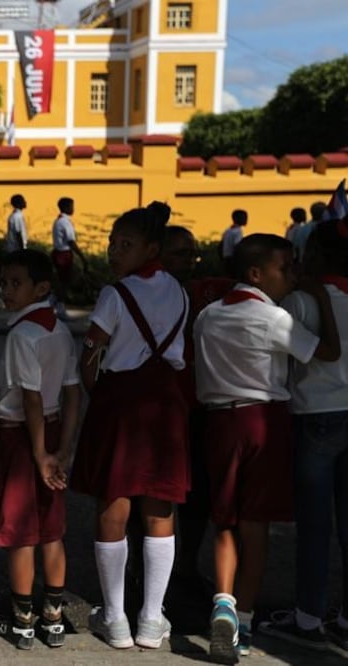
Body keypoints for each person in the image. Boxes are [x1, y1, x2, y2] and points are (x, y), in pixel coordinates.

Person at [194, 233, 340, 663]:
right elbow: (327, 353)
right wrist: (323, 302)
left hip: (218, 421)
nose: (292, 275)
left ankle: (222, 600)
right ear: (256, 273)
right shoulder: (273, 317)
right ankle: (242, 618)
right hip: (263, 421)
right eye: (285, 267)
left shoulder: (208, 314)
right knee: (255, 523)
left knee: (224, 519)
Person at [72, 205, 189, 652]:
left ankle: (116, 615)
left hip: (121, 401)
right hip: (166, 403)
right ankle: (151, 616)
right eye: (112, 243)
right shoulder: (179, 291)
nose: (113, 252)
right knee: (160, 505)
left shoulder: (114, 294)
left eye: (125, 245)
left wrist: (94, 392)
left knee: (114, 499)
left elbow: (91, 353)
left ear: (150, 249)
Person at [258, 219, 348, 653]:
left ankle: (309, 616)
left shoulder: (299, 300)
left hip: (315, 415)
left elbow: (280, 359)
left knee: (314, 524)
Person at [0, 249, 79, 650]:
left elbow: (29, 398)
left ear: (41, 287)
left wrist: (41, 452)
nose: (7, 291)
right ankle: (54, 617)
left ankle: (23, 618)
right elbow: (72, 392)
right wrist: (64, 449)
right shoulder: (59, 329)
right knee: (51, 527)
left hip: (23, 435)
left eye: (16, 283)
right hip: (54, 429)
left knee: (21, 530)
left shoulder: (23, 334)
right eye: (5, 282)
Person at [160, 225, 233, 594]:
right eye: (178, 254)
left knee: (198, 493)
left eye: (191, 254)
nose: (187, 261)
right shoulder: (147, 293)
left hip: (200, 402)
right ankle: (146, 572)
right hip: (161, 406)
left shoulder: (206, 290)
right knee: (154, 494)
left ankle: (186, 565)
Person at [51, 197, 85, 320]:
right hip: (63, 254)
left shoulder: (58, 221)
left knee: (63, 282)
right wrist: (81, 256)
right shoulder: (65, 222)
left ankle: (54, 303)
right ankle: (59, 309)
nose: (73, 209)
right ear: (65, 207)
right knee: (64, 283)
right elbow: (71, 241)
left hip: (58, 253)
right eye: (71, 206)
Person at [220, 209, 247, 275]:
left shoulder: (227, 231)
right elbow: (237, 246)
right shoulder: (238, 231)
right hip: (233, 259)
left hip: (226, 259)